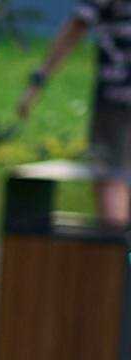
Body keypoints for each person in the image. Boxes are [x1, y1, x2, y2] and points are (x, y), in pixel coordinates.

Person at [20, 0, 131, 228]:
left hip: (116, 96)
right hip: (116, 97)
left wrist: (38, 82)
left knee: (110, 175)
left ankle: (116, 259)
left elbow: (75, 28)